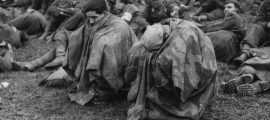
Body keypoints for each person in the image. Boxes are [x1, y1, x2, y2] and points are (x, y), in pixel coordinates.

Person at [39, 0, 138, 106]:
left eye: (94, 17)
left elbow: (109, 48)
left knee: (102, 46)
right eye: (89, 17)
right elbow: (80, 35)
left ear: (105, 13)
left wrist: (97, 45)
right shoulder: (94, 21)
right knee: (75, 37)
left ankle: (106, 90)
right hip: (97, 63)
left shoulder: (119, 26)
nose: (90, 21)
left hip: (119, 70)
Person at [125, 19, 217, 120]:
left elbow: (184, 78)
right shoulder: (167, 26)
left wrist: (158, 73)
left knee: (160, 65)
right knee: (147, 57)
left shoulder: (183, 38)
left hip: (202, 74)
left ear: (164, 39)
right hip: (189, 59)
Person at [221, 0, 270, 96]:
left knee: (257, 59)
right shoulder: (266, 3)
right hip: (265, 38)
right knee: (255, 29)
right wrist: (267, 24)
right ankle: (254, 79)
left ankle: (251, 79)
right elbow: (258, 21)